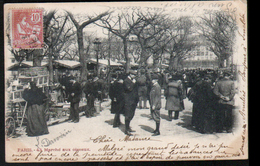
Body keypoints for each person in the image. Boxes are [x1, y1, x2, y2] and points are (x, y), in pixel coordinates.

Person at [123, 70, 139, 136]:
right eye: (134, 75)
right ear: (130, 74)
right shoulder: (126, 81)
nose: (134, 76)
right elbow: (129, 89)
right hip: (128, 100)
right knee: (127, 115)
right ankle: (126, 130)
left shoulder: (133, 81)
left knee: (131, 114)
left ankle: (128, 127)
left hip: (133, 100)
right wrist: (133, 83)